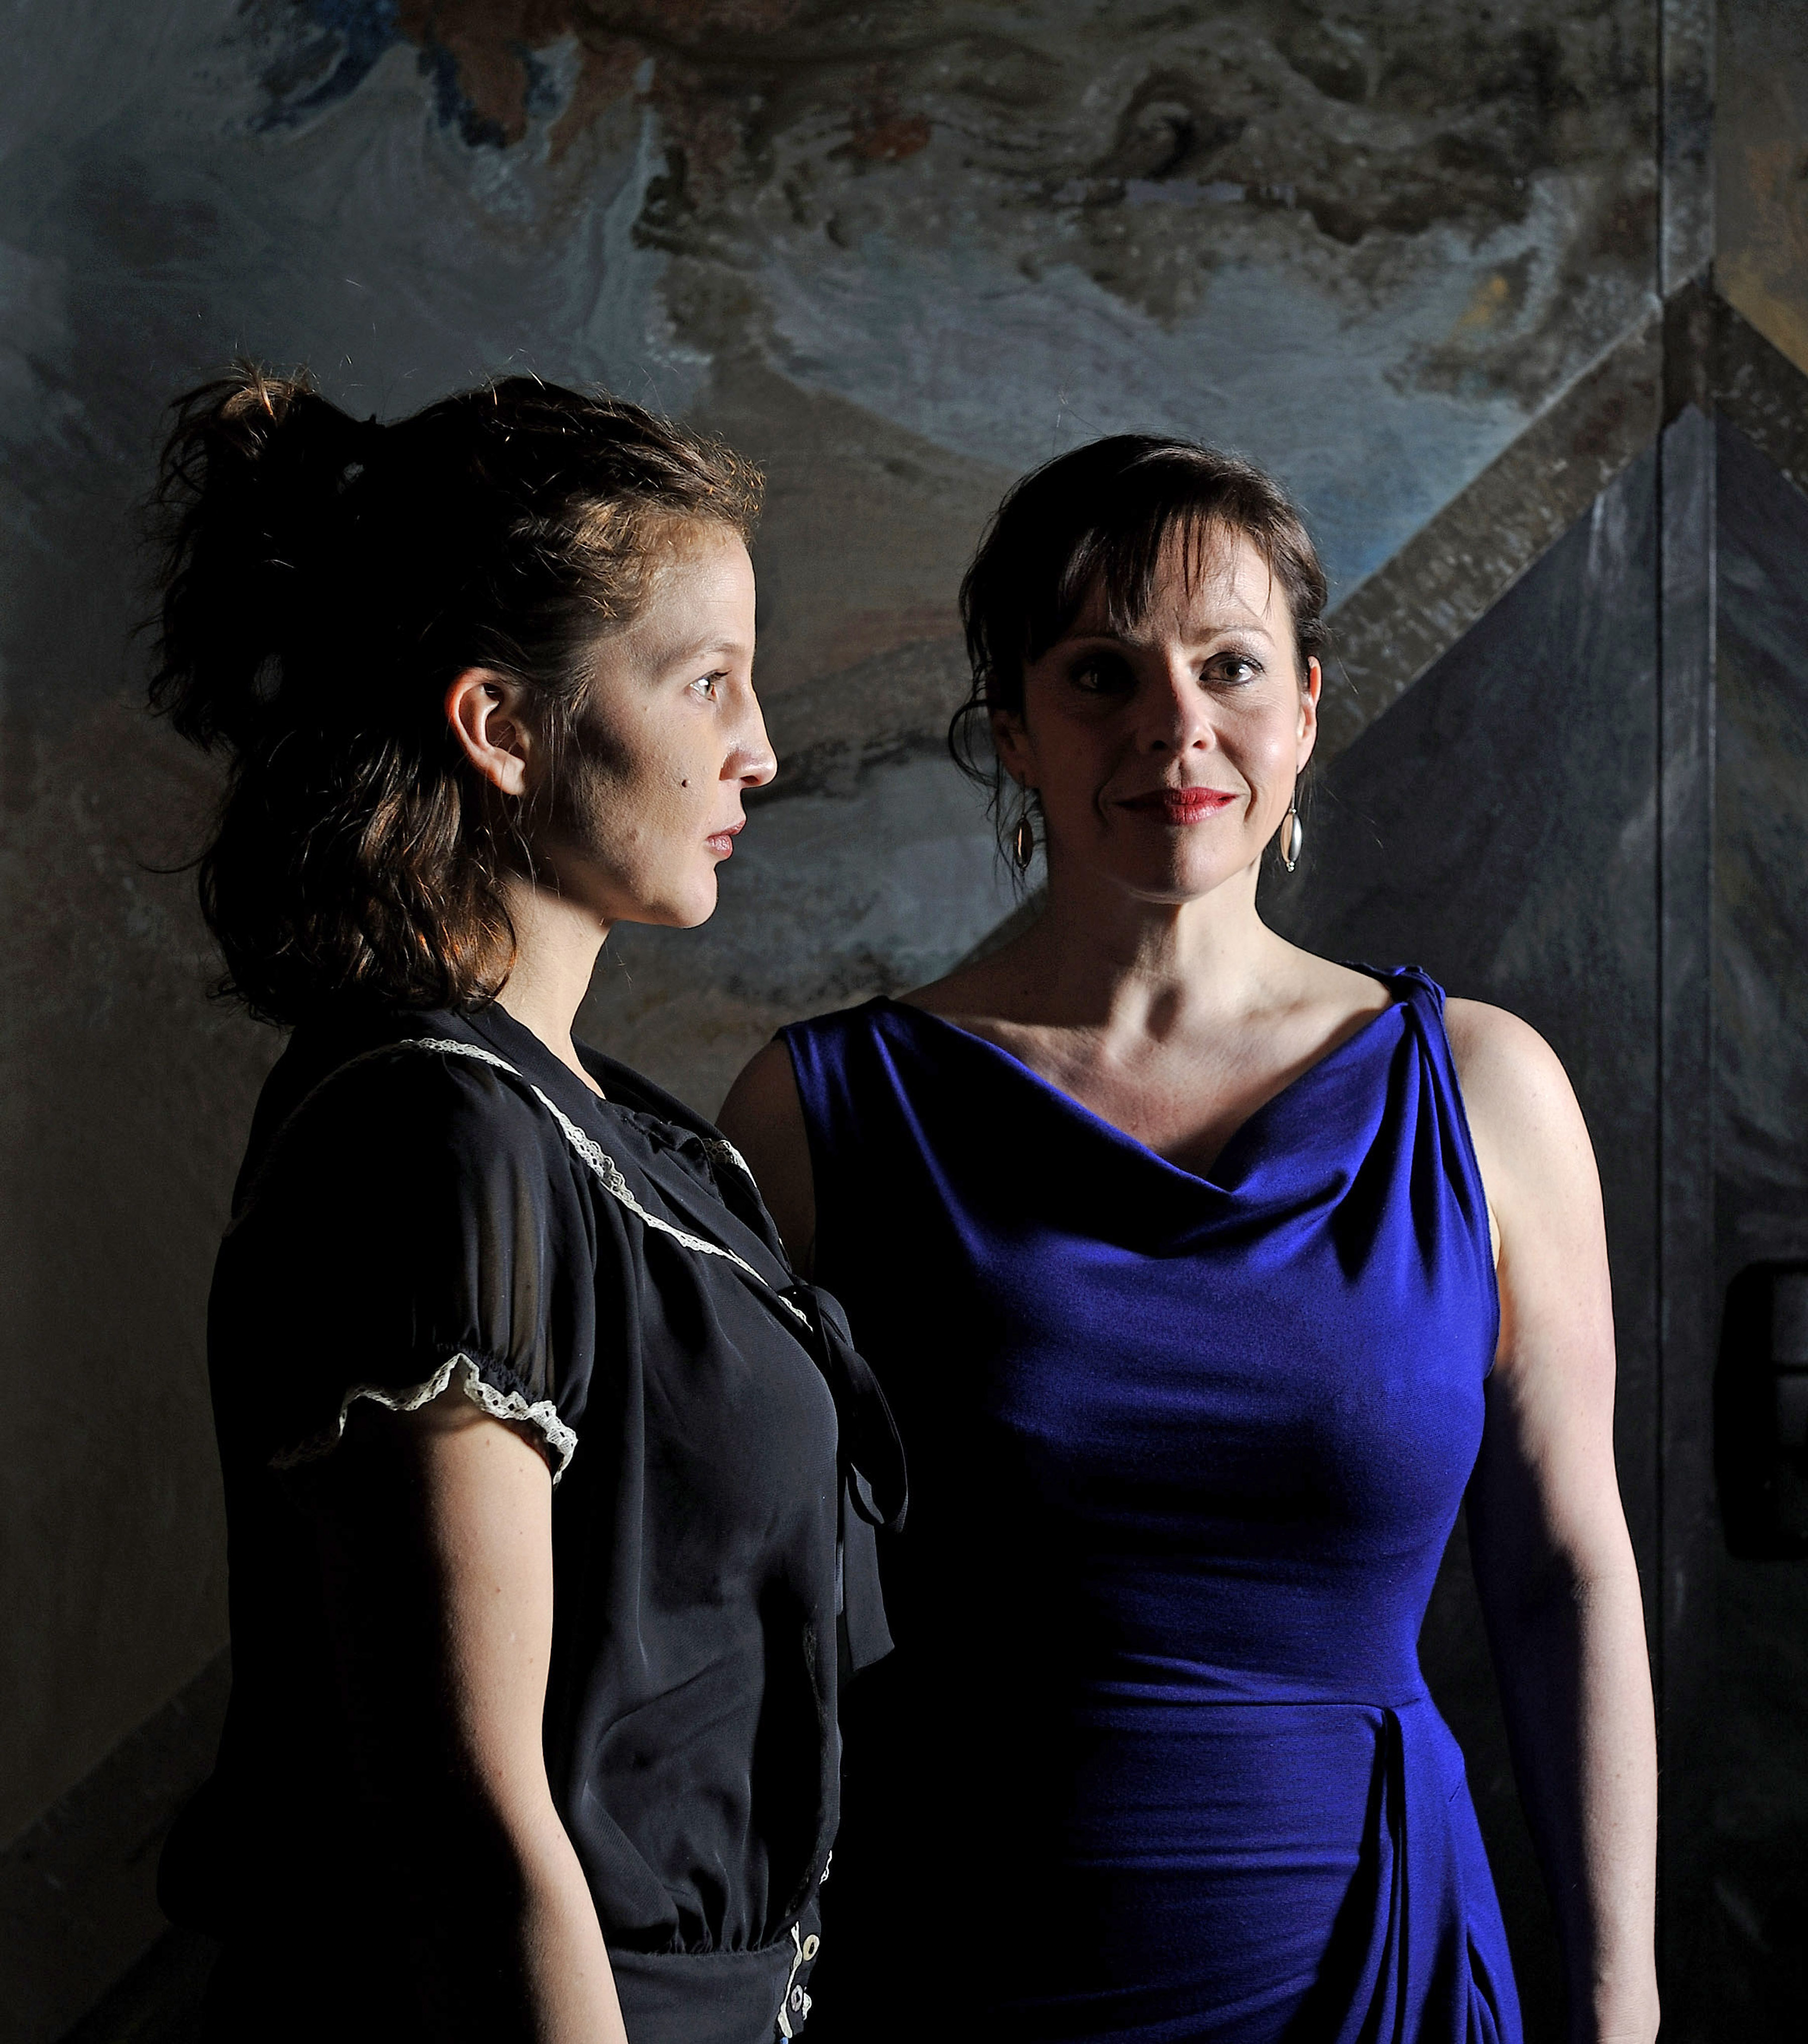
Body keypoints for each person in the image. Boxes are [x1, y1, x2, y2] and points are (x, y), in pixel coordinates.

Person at [718, 436, 1660, 2044]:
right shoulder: (823, 1114)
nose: (1175, 725)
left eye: (1229, 666)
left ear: (1306, 705)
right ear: (1013, 730)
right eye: (1103, 674)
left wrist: (1619, 2002)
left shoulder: (1483, 1092)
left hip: (1379, 1963)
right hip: (970, 1960)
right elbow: (717, 1603)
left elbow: (1566, 1572)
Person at [150, 369, 902, 2044]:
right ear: (502, 726)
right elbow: (468, 1826)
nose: (761, 750)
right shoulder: (440, 1136)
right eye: (707, 684)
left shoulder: (604, 1125)